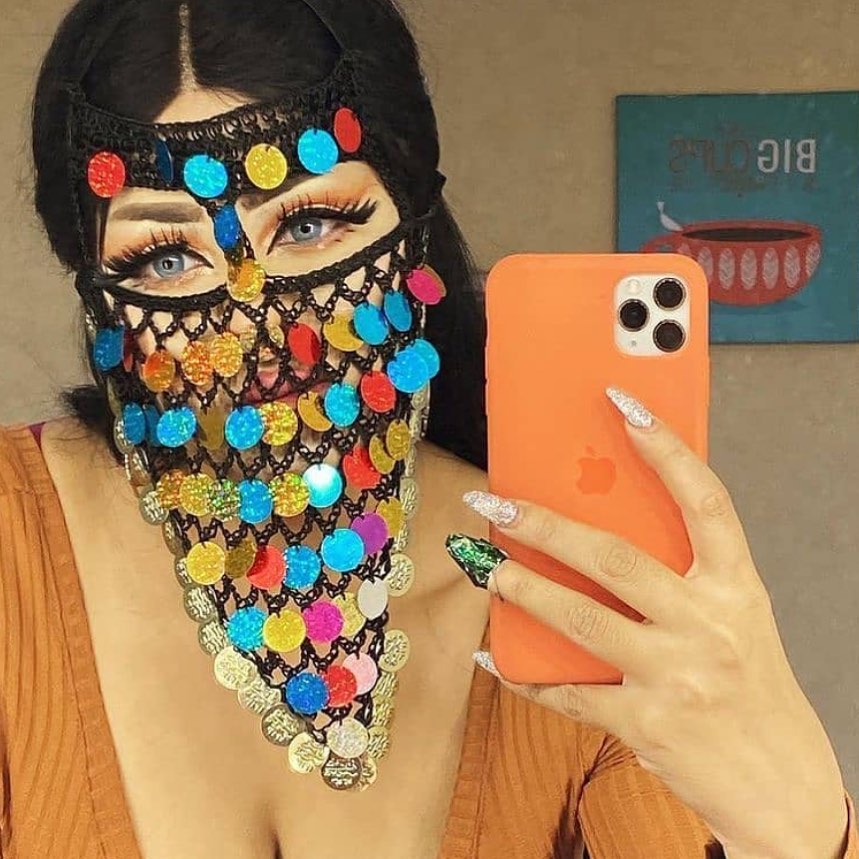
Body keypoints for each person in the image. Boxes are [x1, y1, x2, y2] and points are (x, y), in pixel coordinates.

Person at [0, 1, 855, 857]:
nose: (256, 316)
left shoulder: (560, 595)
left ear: (410, 227)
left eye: (308, 224)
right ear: (97, 288)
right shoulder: (15, 545)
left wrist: (792, 818)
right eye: (165, 256)